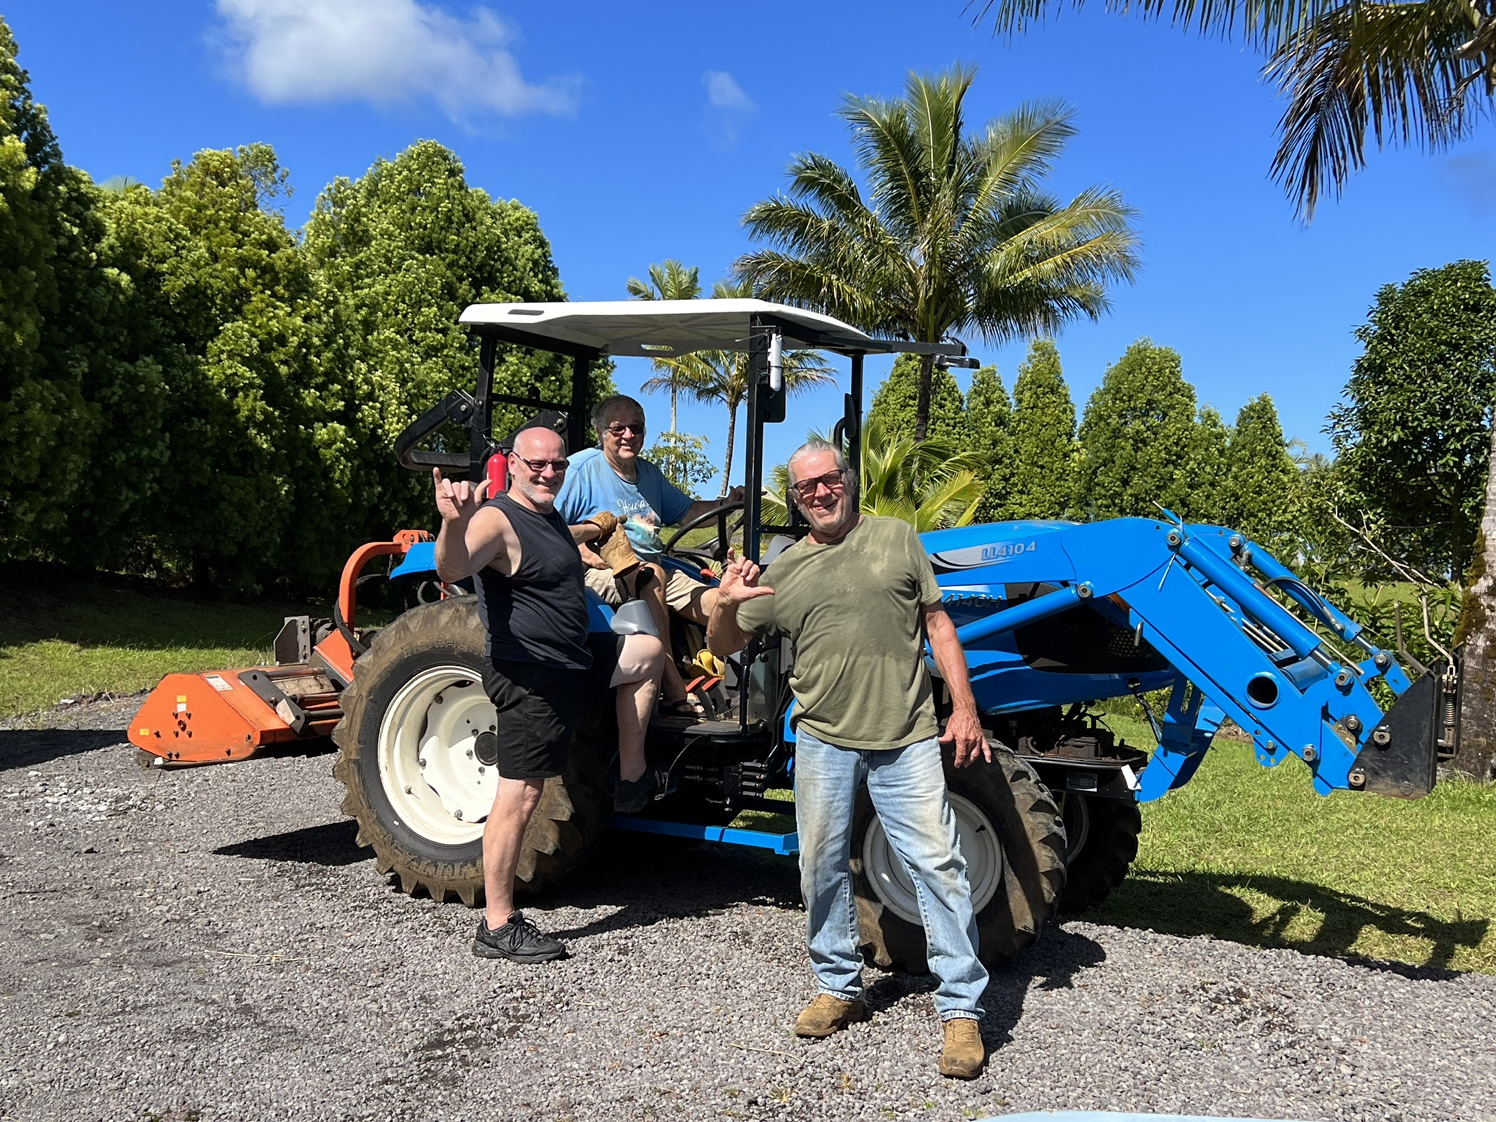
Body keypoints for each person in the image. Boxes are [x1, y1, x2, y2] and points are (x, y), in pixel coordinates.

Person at [705, 439, 991, 1079]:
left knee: (938, 865)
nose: (820, 492)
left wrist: (964, 709)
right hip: (824, 739)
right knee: (820, 865)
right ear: (795, 497)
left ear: (848, 479)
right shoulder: (784, 569)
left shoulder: (897, 538)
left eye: (829, 479)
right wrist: (724, 601)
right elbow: (725, 645)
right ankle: (839, 986)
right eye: (806, 486)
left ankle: (961, 1009)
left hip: (906, 734)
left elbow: (938, 625)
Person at [433, 425, 667, 964]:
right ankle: (497, 924)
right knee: (521, 795)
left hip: (573, 661)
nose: (548, 473)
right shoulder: (497, 518)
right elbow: (454, 566)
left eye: (557, 464)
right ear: (513, 464)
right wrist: (453, 521)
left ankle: (632, 778)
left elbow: (566, 537)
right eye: (536, 464)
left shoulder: (548, 515)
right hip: (532, 675)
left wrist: (602, 527)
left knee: (648, 652)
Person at [555, 394, 743, 716]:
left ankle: (744, 684)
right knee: (651, 576)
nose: (628, 435)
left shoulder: (648, 474)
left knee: (724, 600)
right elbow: (546, 524)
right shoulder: (581, 469)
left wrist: (727, 503)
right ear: (601, 432)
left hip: (652, 566)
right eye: (618, 428)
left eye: (636, 428)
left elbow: (687, 512)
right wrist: (582, 549)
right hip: (601, 572)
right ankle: (673, 688)